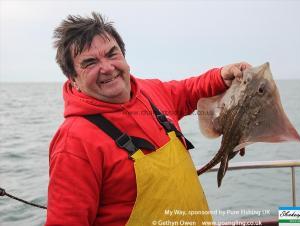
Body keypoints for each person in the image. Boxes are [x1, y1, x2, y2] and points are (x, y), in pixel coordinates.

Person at [46, 12, 250, 226]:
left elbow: (189, 91)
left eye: (112, 54)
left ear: (124, 56)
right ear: (73, 79)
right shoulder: (73, 142)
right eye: (90, 63)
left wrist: (221, 75)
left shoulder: (151, 91)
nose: (106, 68)